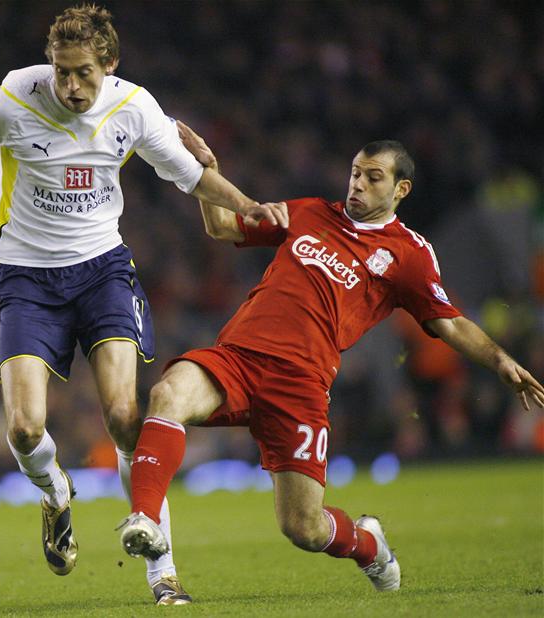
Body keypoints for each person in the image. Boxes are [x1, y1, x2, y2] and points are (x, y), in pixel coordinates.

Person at [0, 4, 284, 605]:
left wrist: (251, 203)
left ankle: (163, 574)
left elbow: (191, 177)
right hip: (27, 279)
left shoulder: (134, 108)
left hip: (103, 272)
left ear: (110, 65)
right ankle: (56, 492)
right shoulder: (15, 98)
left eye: (83, 74)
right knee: (22, 427)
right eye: (61, 71)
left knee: (125, 419)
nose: (69, 86)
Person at [118, 121, 544, 594]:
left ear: (401, 188)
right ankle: (145, 519)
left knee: (304, 528)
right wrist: (207, 172)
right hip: (237, 358)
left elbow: (448, 321)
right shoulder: (309, 212)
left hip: (300, 386)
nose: (358, 183)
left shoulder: (408, 254)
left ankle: (368, 544)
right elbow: (221, 226)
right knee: (166, 392)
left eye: (373, 177)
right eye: (356, 172)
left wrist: (501, 360)